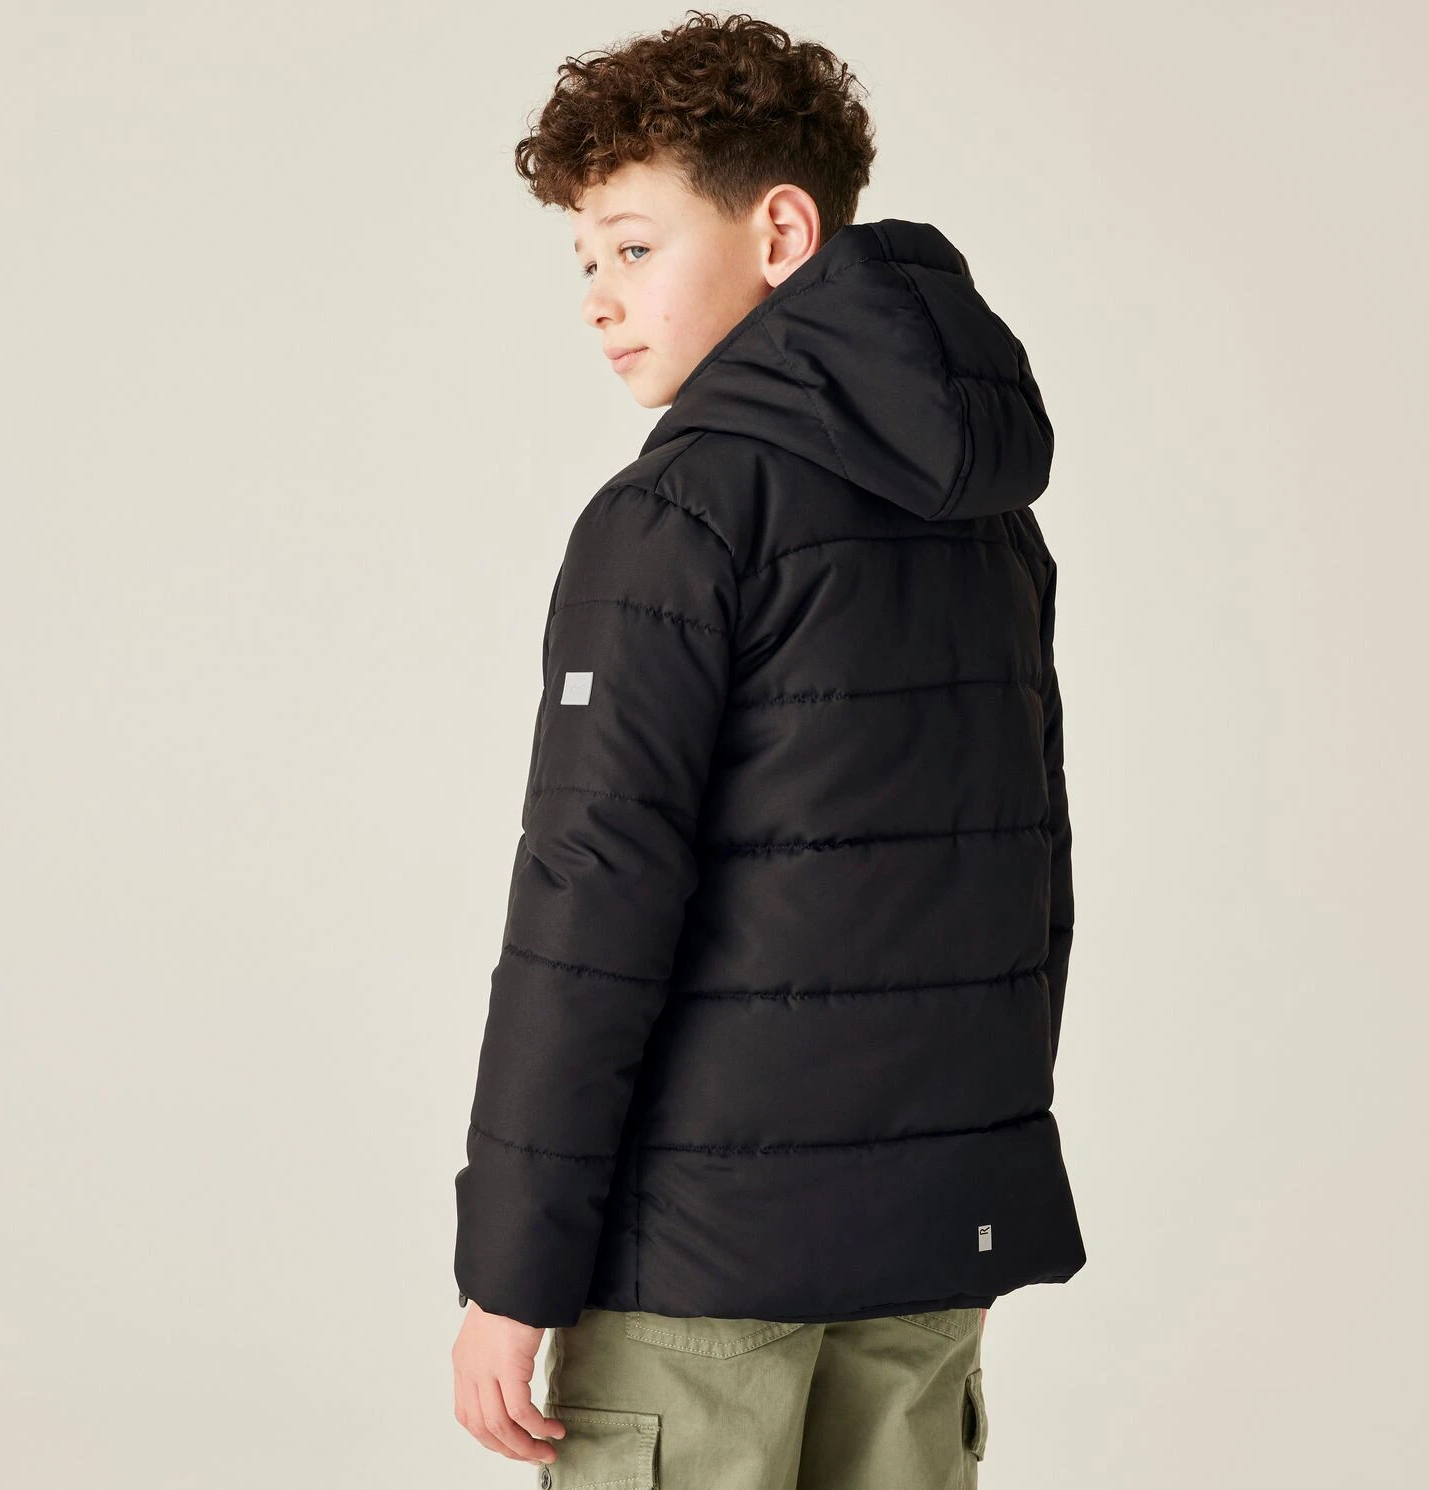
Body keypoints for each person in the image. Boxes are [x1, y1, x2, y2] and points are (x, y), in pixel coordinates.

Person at [451, 12, 1084, 1486]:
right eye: (584, 261)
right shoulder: (984, 520)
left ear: (782, 231)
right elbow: (1021, 880)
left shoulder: (676, 515)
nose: (600, 300)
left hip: (697, 1268)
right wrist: (964, 1180)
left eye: (633, 246)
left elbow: (591, 899)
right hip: (923, 1248)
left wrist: (510, 1268)